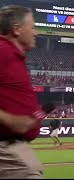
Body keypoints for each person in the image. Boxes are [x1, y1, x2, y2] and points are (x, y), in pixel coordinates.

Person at [0, 5, 50, 178]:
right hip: (6, 149)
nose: (35, 33)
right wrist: (8, 119)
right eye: (33, 27)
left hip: (16, 147)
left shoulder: (14, 56)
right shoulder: (3, 50)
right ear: (16, 29)